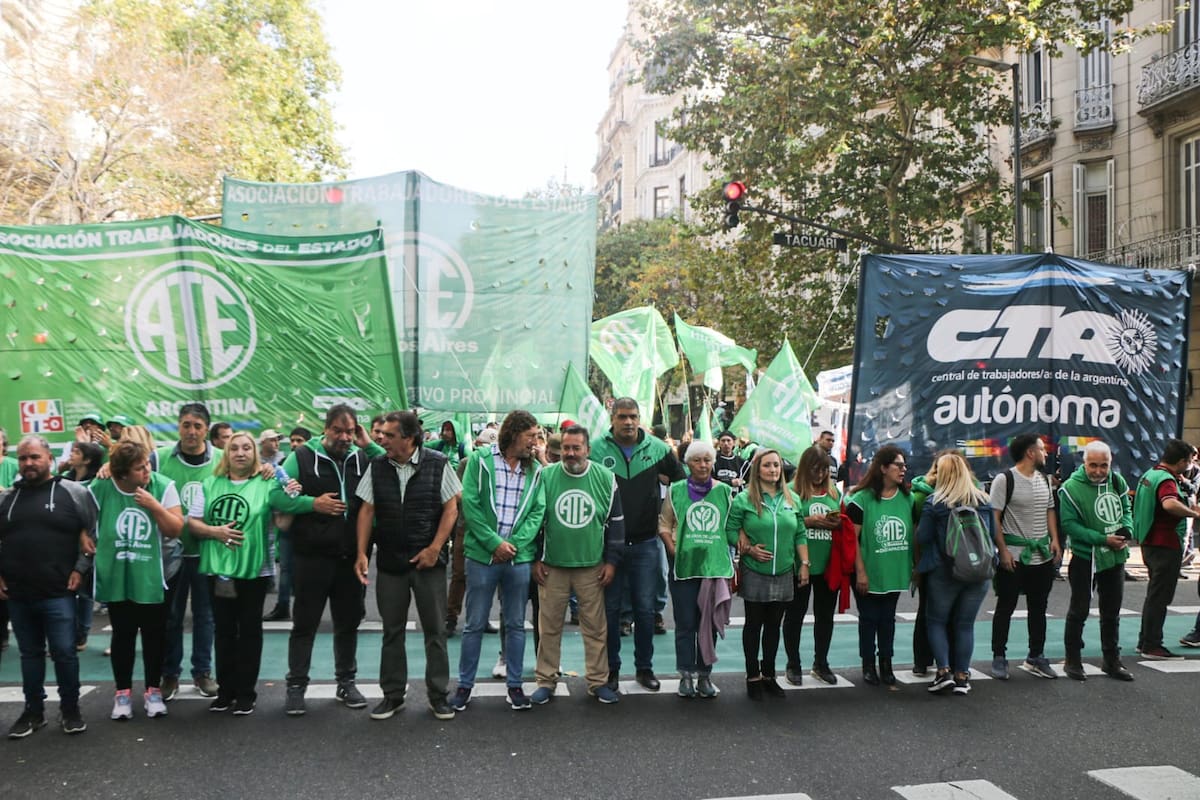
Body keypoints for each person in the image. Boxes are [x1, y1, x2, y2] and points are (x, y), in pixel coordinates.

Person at [186, 431, 334, 715]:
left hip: (254, 571)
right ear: (226, 454)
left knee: (250, 632)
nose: (240, 453)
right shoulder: (209, 483)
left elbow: (282, 524)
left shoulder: (267, 484)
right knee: (224, 631)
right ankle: (225, 691)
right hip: (217, 570)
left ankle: (246, 693)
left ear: (254, 454)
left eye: (246, 448)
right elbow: (193, 523)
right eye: (234, 449)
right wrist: (214, 532)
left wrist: (293, 497)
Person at [356, 411, 461, 721]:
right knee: (392, 631)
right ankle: (392, 695)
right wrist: (362, 554)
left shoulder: (438, 463)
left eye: (388, 435)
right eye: (381, 435)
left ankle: (438, 695)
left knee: (435, 631)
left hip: (428, 563)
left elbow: (451, 508)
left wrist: (434, 548)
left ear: (409, 438)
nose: (381, 440)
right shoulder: (376, 467)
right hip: (390, 562)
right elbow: (366, 510)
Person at [281, 404, 381, 716]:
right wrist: (313, 504)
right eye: (337, 430)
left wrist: (368, 443)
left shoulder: (362, 457)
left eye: (350, 431)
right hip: (311, 558)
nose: (344, 437)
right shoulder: (300, 458)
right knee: (304, 624)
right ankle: (296, 686)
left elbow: (392, 464)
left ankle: (346, 682)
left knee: (348, 623)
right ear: (325, 429)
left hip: (350, 557)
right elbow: (276, 496)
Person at [0, 435, 96, 737]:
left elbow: (93, 532)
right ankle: (33, 712)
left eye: (35, 457)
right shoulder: (6, 498)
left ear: (49, 458)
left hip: (59, 592)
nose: (29, 463)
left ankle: (70, 710)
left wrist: (81, 568)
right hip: (18, 592)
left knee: (65, 653)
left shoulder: (74, 492)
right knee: (29, 655)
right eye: (24, 458)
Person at [452, 410, 545, 712]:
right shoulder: (480, 461)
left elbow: (537, 512)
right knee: (474, 624)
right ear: (515, 434)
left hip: (518, 558)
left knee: (516, 624)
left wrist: (513, 545)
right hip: (482, 556)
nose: (535, 442)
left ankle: (515, 686)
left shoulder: (536, 470)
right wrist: (494, 543)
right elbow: (472, 505)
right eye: (531, 436)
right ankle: (464, 685)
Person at [590, 398, 684, 693]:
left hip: (646, 544)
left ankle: (645, 669)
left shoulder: (658, 449)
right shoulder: (596, 448)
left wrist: (668, 521)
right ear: (612, 418)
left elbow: (680, 484)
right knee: (612, 611)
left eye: (633, 416)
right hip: (609, 547)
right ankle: (612, 671)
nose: (628, 422)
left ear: (639, 418)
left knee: (645, 611)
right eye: (622, 417)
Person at [89, 441, 183, 720]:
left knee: (155, 635)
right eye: (140, 467)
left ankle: (153, 691)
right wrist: (83, 535)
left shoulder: (162, 485)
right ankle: (122, 694)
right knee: (123, 634)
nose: (147, 470)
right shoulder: (102, 486)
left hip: (156, 574)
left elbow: (175, 529)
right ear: (121, 474)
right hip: (119, 573)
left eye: (147, 464)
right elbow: (80, 515)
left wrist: (154, 506)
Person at [533, 425, 623, 705]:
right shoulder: (545, 476)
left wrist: (612, 562)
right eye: (565, 449)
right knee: (548, 627)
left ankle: (598, 682)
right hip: (552, 566)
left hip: (592, 567)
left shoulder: (606, 478)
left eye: (576, 448)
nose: (570, 454)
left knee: (596, 628)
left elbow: (616, 524)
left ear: (587, 450)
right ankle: (545, 681)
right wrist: (534, 558)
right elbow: (533, 522)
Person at [659, 439, 734, 699]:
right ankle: (686, 675)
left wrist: (744, 545)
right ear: (687, 463)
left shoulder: (724, 491)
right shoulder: (676, 490)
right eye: (697, 460)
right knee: (686, 623)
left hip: (713, 569)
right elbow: (664, 524)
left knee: (709, 622)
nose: (703, 465)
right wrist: (671, 546)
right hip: (684, 568)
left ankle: (705, 675)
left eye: (707, 460)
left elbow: (732, 527)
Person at [729, 449, 806, 700]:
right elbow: (730, 529)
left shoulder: (792, 498)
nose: (773, 470)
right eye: (767, 466)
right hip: (755, 570)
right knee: (754, 624)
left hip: (784, 571)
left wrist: (804, 563)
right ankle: (752, 675)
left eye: (776, 465)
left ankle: (769, 675)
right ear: (757, 470)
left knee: (774, 626)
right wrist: (749, 549)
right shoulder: (743, 499)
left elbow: (800, 533)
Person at [157, 403, 221, 701]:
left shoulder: (221, 459)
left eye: (197, 426)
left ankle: (202, 672)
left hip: (207, 551)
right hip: (170, 553)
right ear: (178, 426)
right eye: (186, 424)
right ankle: (170, 674)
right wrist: (108, 465)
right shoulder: (159, 458)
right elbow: (130, 472)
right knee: (171, 616)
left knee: (205, 615)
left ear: (206, 429)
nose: (191, 431)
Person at [916, 453, 994, 696]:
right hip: (979, 571)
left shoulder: (935, 502)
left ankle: (943, 671)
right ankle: (962, 675)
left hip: (944, 570)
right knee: (965, 624)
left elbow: (923, 537)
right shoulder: (983, 500)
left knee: (937, 621)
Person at [1059, 441, 1134, 682]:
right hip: (1085, 557)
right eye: (1093, 465)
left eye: (1104, 465)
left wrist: (1127, 530)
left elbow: (1126, 509)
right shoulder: (1070, 488)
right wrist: (1102, 539)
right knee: (1079, 610)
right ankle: (1073, 659)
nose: (1099, 471)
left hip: (1115, 556)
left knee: (1111, 612)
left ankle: (1112, 661)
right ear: (1084, 463)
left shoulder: (1117, 481)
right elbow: (1069, 525)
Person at [989, 434, 1061, 680]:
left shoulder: (1044, 479)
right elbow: (995, 518)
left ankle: (1036, 655)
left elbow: (1050, 510)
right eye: (1042, 449)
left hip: (1041, 555)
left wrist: (1054, 540)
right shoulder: (1004, 480)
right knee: (1006, 606)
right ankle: (999, 656)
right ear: (1030, 453)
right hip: (1015, 556)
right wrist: (1004, 550)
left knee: (1039, 607)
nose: (1046, 453)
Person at [846, 445, 913, 687]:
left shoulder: (908, 498)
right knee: (869, 618)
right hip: (868, 571)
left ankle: (886, 662)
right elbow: (852, 539)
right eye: (899, 465)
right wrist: (861, 572)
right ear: (883, 468)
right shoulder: (861, 500)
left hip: (894, 570)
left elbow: (913, 532)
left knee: (888, 619)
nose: (903, 470)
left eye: (905, 465)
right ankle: (868, 664)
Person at [1133, 439, 1199, 660]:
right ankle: (1152, 645)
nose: (1190, 465)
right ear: (1181, 461)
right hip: (1165, 545)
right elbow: (1169, 503)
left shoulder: (1150, 474)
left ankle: (1145, 641)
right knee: (1160, 597)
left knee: (1154, 596)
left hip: (1149, 541)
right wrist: (1194, 513)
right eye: (1189, 461)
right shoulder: (1167, 480)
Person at [783, 446, 841, 686]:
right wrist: (809, 521)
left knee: (825, 617)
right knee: (794, 616)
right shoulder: (793, 492)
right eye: (815, 470)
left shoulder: (834, 492)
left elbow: (843, 525)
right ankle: (793, 664)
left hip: (828, 565)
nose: (819, 475)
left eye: (824, 470)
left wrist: (835, 523)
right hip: (800, 564)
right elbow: (786, 524)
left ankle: (821, 663)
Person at [59, 441, 104, 652]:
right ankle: (66, 634)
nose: (71, 454)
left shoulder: (96, 483)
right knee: (66, 589)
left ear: (87, 460)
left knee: (86, 591)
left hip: (91, 544)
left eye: (77, 452)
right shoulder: (63, 479)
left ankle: (81, 634)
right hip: (65, 544)